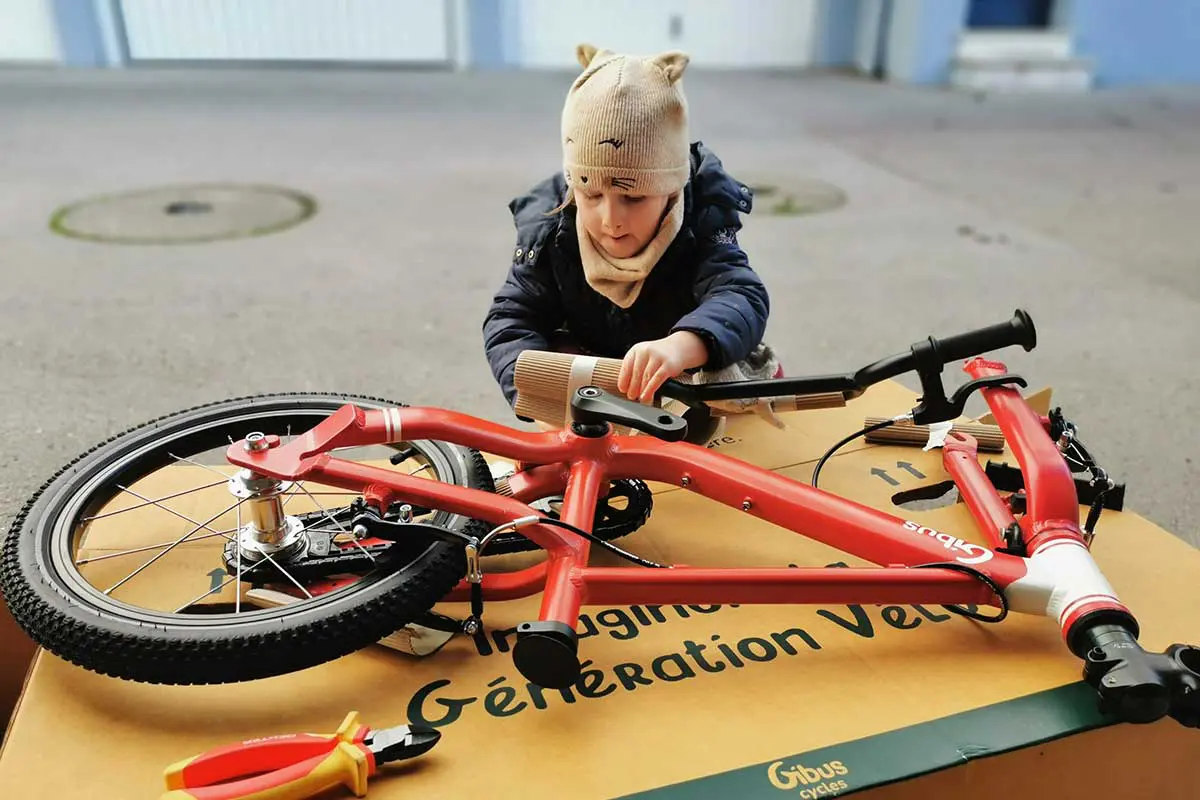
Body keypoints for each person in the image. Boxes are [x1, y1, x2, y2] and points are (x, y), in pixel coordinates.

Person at [481, 43, 779, 428]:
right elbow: (510, 318)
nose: (611, 219)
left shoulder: (701, 219)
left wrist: (683, 345)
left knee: (734, 389)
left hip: (677, 372)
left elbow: (741, 295)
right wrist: (535, 390)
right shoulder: (550, 228)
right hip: (598, 380)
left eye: (633, 197)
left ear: (671, 189)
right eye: (591, 194)